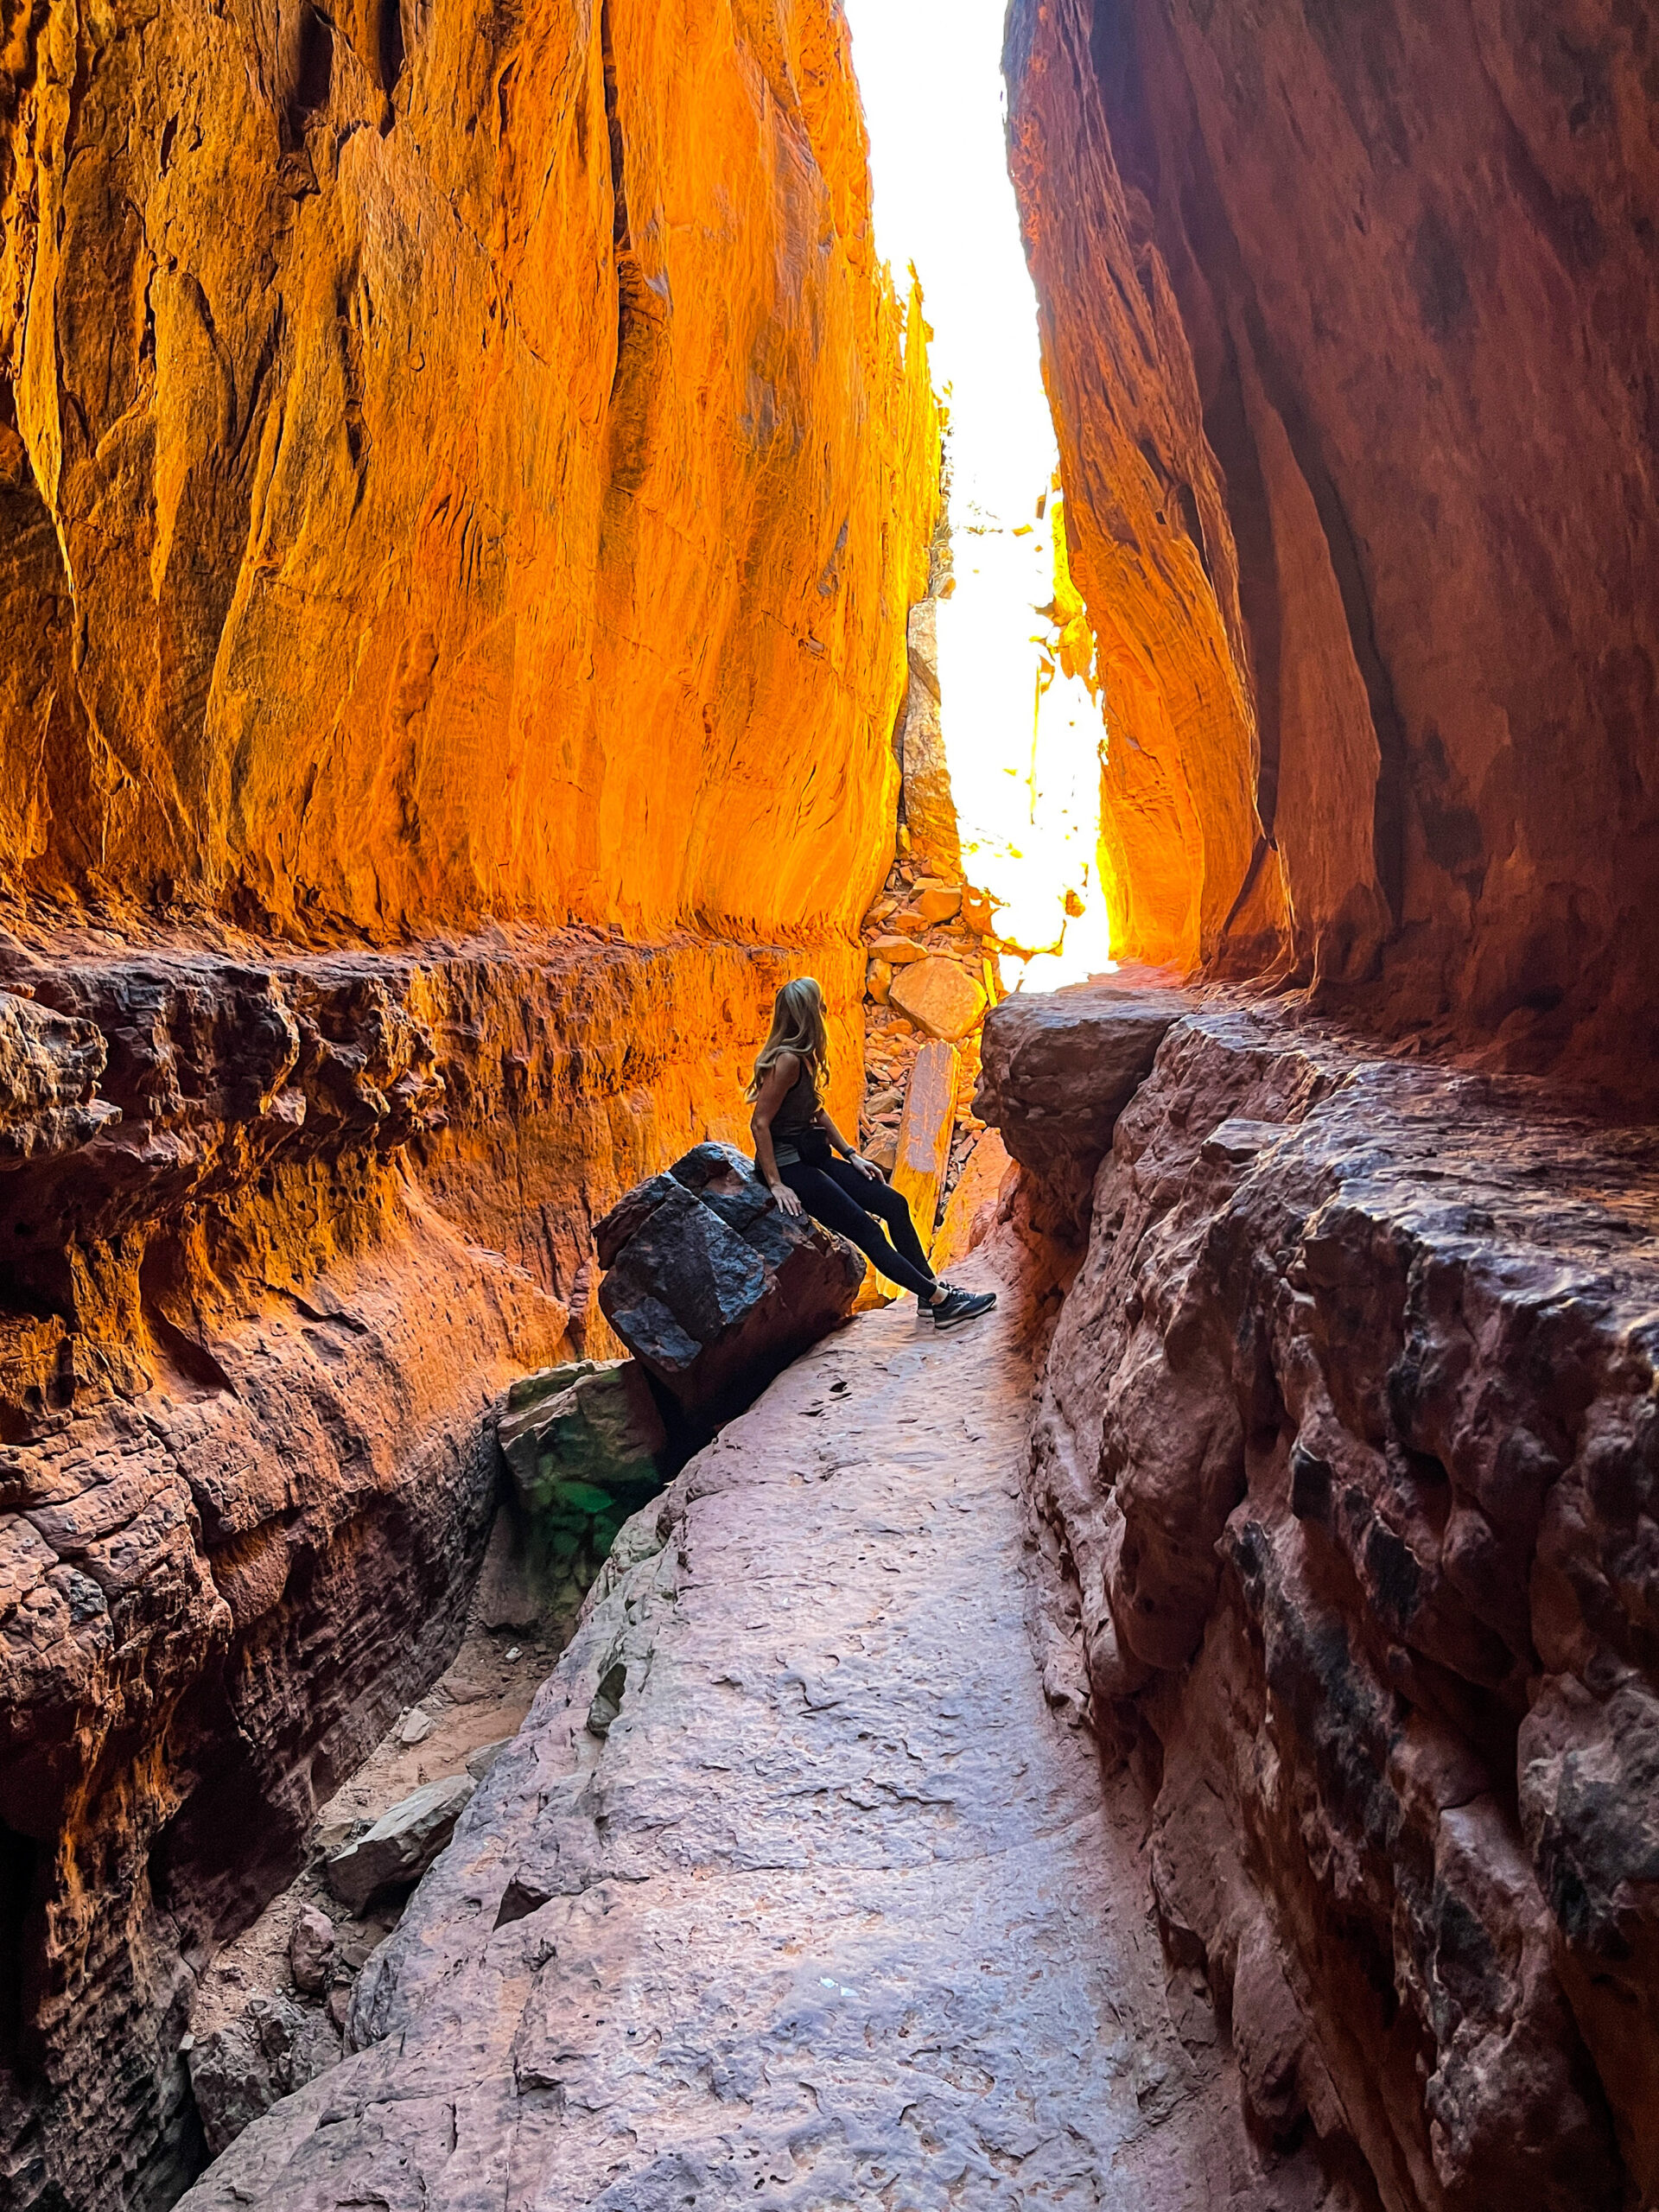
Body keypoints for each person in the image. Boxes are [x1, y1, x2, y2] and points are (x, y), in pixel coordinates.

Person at [748, 977, 995, 1330]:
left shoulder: (804, 1056)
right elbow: (760, 1123)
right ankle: (942, 1303)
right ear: (808, 1013)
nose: (825, 1008)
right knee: (868, 1232)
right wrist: (775, 1183)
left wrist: (852, 1155)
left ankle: (932, 1294)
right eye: (818, 1002)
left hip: (812, 1156)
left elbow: (816, 1109)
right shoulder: (786, 1060)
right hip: (791, 1167)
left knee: (893, 1204)